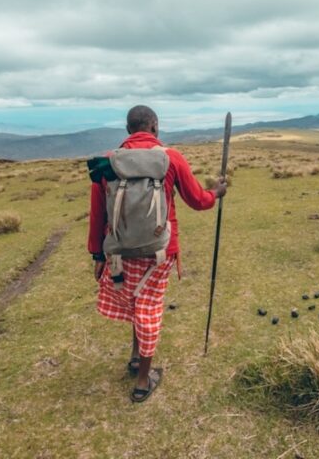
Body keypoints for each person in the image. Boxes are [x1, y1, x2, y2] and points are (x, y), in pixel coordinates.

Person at [87, 105, 227, 402]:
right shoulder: (171, 158)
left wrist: (97, 255)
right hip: (159, 252)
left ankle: (137, 357)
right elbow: (199, 201)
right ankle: (142, 381)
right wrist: (216, 192)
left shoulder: (108, 162)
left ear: (128, 130)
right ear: (154, 126)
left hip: (118, 253)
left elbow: (97, 214)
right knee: (148, 309)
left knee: (135, 302)